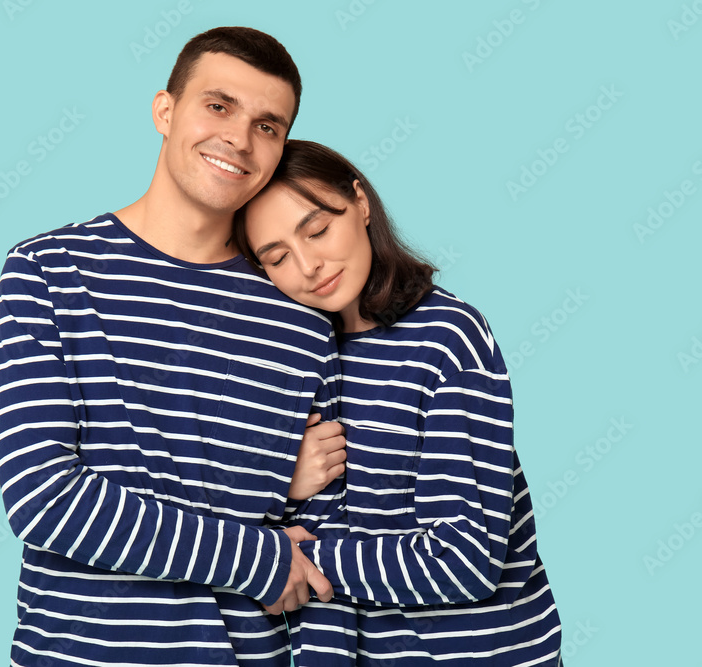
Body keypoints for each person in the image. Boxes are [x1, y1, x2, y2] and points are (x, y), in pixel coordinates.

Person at [0, 29, 348, 666]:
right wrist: (256, 547)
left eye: (268, 126)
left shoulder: (303, 311)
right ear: (165, 110)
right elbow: (44, 498)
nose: (239, 138)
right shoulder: (49, 271)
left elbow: (327, 530)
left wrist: (281, 496)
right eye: (219, 105)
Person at [235, 140, 564, 666]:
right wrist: (284, 482)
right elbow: (219, 516)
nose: (309, 265)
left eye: (317, 229)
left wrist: (289, 560)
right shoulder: (287, 361)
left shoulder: (447, 339)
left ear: (360, 203)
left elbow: (465, 559)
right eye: (277, 258)